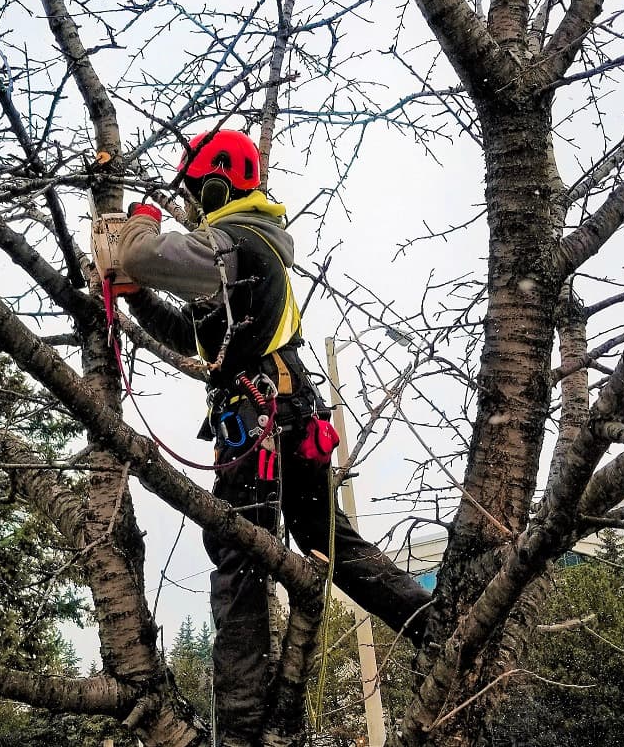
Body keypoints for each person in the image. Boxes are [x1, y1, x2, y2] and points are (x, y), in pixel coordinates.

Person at [118, 129, 431, 746]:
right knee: (323, 538)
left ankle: (238, 733)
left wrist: (139, 224)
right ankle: (437, 625)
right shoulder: (252, 255)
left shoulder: (233, 242)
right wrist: (137, 304)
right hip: (292, 411)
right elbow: (194, 335)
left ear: (218, 184)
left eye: (198, 194)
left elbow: (139, 255)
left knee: (241, 561)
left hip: (260, 417)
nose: (196, 208)